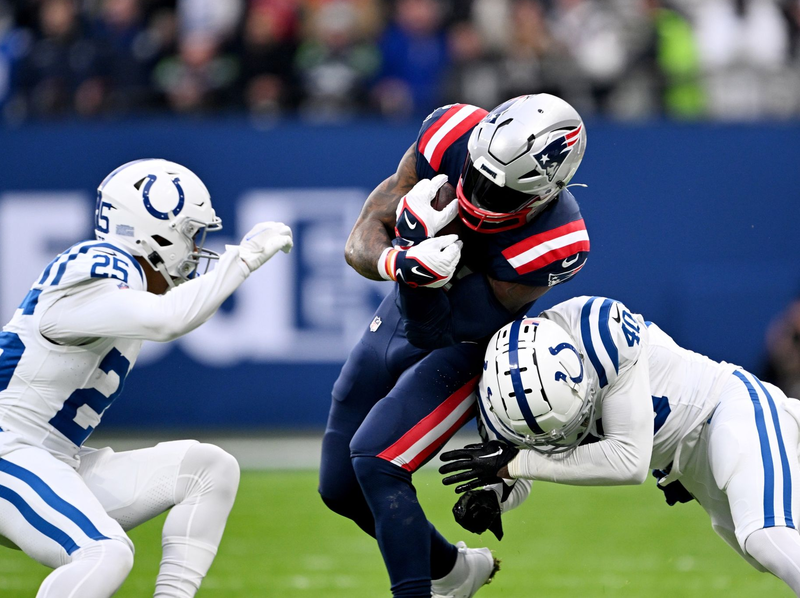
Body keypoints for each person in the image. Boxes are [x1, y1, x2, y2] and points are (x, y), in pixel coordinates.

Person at [318, 94, 590, 598]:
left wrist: (416, 263)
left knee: (378, 460)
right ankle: (454, 572)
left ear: (545, 192)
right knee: (338, 488)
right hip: (403, 311)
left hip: (465, 345)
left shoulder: (554, 240)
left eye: (502, 193)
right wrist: (400, 260)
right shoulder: (449, 134)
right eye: (478, 175)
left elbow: (439, 332)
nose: (482, 195)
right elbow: (362, 236)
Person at [0, 158, 293, 598]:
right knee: (105, 551)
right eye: (191, 234)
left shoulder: (128, 282)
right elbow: (167, 320)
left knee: (208, 468)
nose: (196, 249)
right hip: (9, 447)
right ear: (153, 228)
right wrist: (243, 258)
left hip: (50, 457)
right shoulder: (97, 264)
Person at [439, 296, 800, 596]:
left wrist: (515, 465)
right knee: (768, 550)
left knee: (767, 536)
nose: (560, 438)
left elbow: (628, 461)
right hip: (690, 465)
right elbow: (526, 463)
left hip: (730, 411)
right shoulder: (505, 399)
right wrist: (496, 496)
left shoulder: (600, 335)